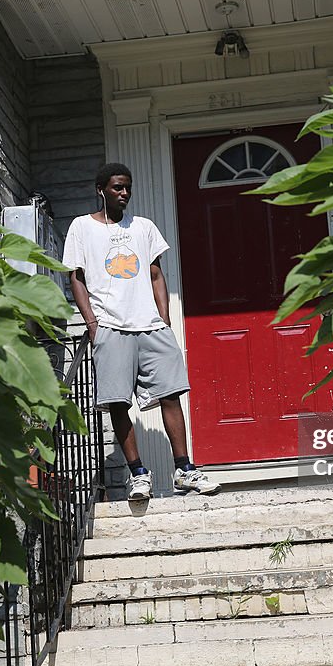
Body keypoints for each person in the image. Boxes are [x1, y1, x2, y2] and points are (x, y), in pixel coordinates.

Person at [62, 163, 221, 501]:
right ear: (101, 188)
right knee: (119, 402)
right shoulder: (81, 228)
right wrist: (92, 324)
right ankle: (138, 474)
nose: (124, 193)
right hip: (110, 326)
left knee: (171, 392)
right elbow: (75, 277)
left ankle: (185, 469)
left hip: (150, 325)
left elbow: (155, 275)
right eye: (118, 187)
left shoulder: (143, 227)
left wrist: (163, 319)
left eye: (127, 187)